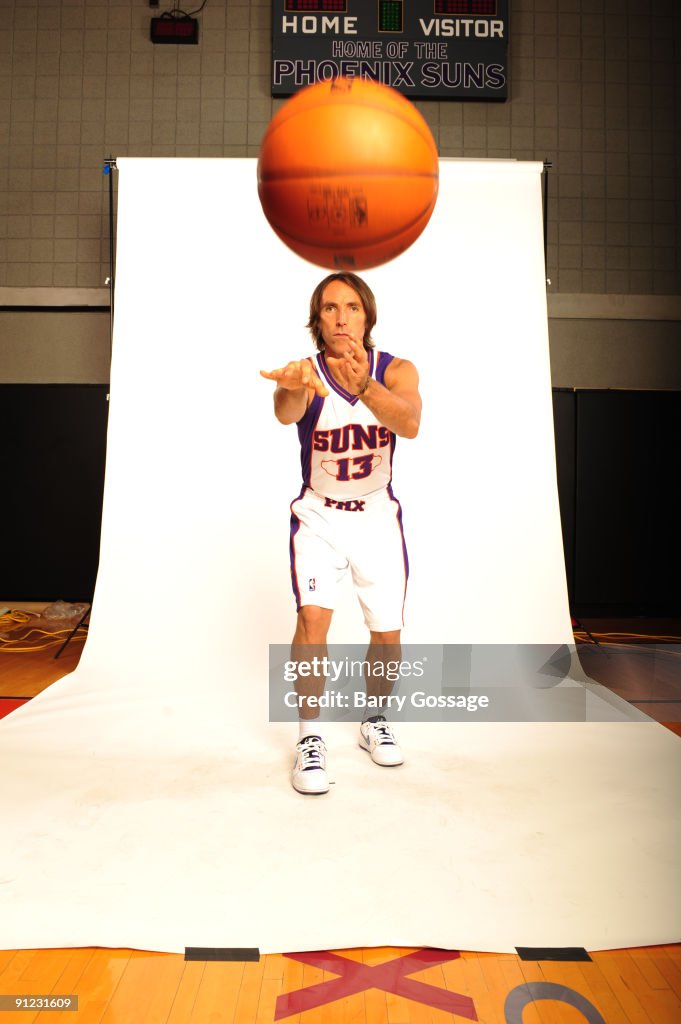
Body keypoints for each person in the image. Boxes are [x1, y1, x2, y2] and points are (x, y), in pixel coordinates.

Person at [261, 272, 421, 794]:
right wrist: (288, 388)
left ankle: (373, 720)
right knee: (312, 621)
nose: (341, 317)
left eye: (351, 307)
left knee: (388, 634)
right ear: (318, 319)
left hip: (376, 515)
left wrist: (365, 387)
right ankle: (310, 738)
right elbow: (286, 414)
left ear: (366, 316)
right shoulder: (304, 374)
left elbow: (410, 423)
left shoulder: (396, 371)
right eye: (330, 308)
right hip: (321, 516)